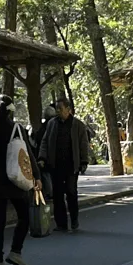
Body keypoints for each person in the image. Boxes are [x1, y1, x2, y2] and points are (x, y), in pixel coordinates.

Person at [0, 95, 37, 265]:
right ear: (11, 110)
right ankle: (15, 251)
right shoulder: (17, 129)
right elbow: (27, 155)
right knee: (24, 217)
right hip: (15, 181)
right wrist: (37, 177)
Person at [36, 97, 88, 231]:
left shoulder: (78, 125)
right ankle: (61, 224)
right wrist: (42, 157)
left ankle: (74, 220)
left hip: (71, 166)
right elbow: (45, 142)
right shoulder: (52, 124)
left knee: (71, 192)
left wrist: (84, 162)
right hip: (56, 165)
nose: (58, 111)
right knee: (58, 195)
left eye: (60, 108)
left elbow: (83, 144)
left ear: (68, 109)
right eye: (57, 109)